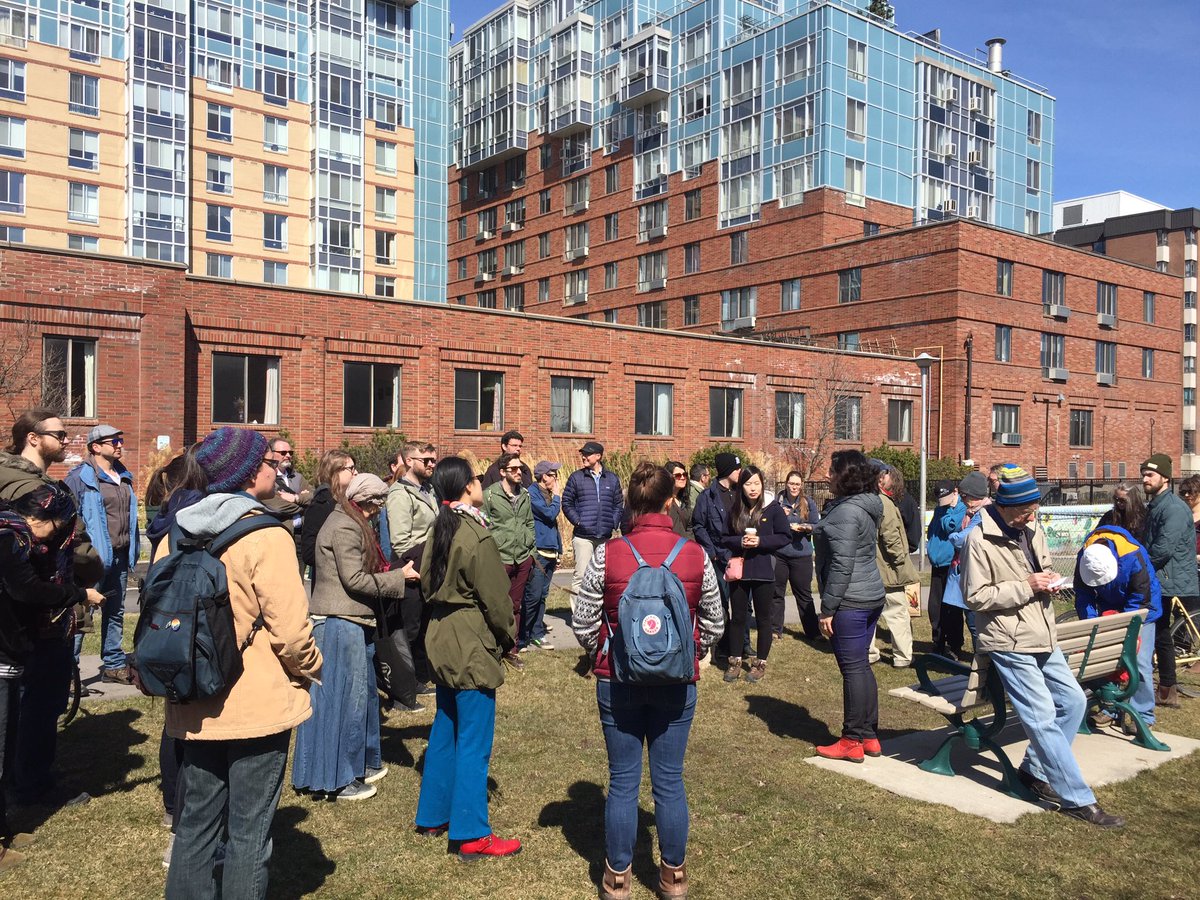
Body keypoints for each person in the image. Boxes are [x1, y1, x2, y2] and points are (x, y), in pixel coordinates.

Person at [158, 426, 323, 896]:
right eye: (271, 462)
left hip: (193, 694)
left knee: (195, 824)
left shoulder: (177, 530)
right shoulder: (266, 535)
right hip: (255, 702)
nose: (277, 469)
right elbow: (291, 632)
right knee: (250, 831)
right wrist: (313, 669)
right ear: (251, 473)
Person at [572, 462, 724, 900]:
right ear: (670, 500)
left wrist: (604, 652)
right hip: (676, 683)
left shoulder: (608, 553)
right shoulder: (694, 554)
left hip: (617, 680)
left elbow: (583, 622)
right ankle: (673, 876)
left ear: (630, 502)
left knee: (622, 781)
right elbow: (715, 622)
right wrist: (689, 651)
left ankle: (617, 877)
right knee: (669, 781)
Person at [962, 464, 1124, 828]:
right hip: (1007, 639)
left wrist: (1048, 578)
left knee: (1074, 701)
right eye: (1025, 510)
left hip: (1042, 632)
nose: (1031, 516)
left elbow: (1040, 567)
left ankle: (1033, 770)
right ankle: (1077, 798)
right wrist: (1028, 586)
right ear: (1004, 506)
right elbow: (975, 596)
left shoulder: (1032, 528)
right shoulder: (979, 539)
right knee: (1041, 717)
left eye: (1034, 509)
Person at [414, 456, 521, 860]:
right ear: (466, 487)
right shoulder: (475, 533)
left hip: (441, 634)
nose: (481, 483)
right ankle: (472, 832)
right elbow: (496, 598)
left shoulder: (440, 527)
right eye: (476, 478)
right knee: (474, 740)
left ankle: (433, 814)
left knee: (445, 727)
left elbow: (425, 584)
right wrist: (508, 636)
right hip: (469, 639)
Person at [0, 409, 100, 808]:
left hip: (32, 607)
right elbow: (64, 545)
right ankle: (31, 783)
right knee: (40, 698)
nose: (66, 439)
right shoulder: (27, 488)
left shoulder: (26, 481)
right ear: (33, 438)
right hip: (39, 608)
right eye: (59, 434)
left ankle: (23, 775)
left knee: (27, 699)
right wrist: (85, 568)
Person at [293, 474, 415, 801]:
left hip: (349, 620)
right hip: (340, 623)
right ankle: (340, 780)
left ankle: (341, 770)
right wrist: (398, 578)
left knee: (352, 701)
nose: (378, 511)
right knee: (343, 704)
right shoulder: (345, 526)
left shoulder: (348, 520)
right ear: (364, 501)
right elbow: (354, 579)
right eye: (376, 505)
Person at [0, 485, 103, 870]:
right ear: (36, 518)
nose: (55, 539)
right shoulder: (9, 539)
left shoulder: (18, 538)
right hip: (2, 652)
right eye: (57, 528)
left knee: (7, 743)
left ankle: (4, 828)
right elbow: (25, 589)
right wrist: (76, 594)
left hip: (11, 652)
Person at [812, 450, 885, 763]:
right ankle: (868, 735)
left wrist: (828, 609)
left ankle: (852, 739)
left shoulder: (846, 512)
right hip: (869, 595)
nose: (827, 475)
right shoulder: (866, 505)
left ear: (844, 477)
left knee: (853, 669)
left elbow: (842, 565)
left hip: (851, 600)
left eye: (832, 471)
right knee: (861, 666)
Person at [65, 424, 139, 682]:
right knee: (82, 614)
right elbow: (69, 519)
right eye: (113, 441)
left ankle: (113, 664)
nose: (119, 445)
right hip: (92, 558)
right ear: (96, 447)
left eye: (120, 440)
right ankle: (69, 674)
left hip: (120, 555)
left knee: (115, 610)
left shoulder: (123, 476)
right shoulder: (79, 478)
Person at [1073, 524, 1161, 732]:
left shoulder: (1132, 555)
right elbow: (1083, 595)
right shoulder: (1085, 555)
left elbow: (1140, 597)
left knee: (1139, 663)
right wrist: (1093, 623)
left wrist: (1126, 628)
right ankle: (1110, 707)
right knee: (1107, 659)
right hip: (1109, 610)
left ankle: (1143, 715)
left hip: (1142, 611)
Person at [719, 465, 789, 683]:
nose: (753, 488)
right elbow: (724, 537)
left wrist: (761, 542)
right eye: (748, 484)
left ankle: (760, 663)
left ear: (762, 484)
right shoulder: (734, 508)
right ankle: (735, 662)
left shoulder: (773, 508)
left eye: (757, 483)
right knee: (738, 617)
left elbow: (784, 536)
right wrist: (739, 541)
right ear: (741, 486)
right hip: (739, 571)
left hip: (764, 569)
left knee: (763, 618)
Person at [1141, 453, 1198, 709]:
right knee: (1159, 634)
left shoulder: (1173, 508)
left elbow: (1163, 548)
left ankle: (1167, 690)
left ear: (1165, 478)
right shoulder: (1156, 506)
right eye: (1143, 474)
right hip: (1163, 578)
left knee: (1161, 634)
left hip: (1173, 580)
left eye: (1150, 474)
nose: (1145, 479)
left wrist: (1140, 568)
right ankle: (1165, 688)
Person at [385, 443, 439, 701]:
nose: (431, 464)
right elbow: (401, 542)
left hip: (427, 567)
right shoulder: (400, 494)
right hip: (411, 569)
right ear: (409, 461)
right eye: (426, 460)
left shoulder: (428, 489)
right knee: (410, 629)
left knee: (424, 626)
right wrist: (419, 566)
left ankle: (420, 676)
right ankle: (405, 683)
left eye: (433, 460)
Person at [692, 452, 746, 668]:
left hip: (741, 556)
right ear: (726, 471)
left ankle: (743, 645)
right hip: (719, 559)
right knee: (720, 605)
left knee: (743, 604)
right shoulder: (708, 496)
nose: (740, 472)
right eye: (736, 469)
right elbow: (699, 525)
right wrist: (712, 552)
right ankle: (722, 647)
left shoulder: (742, 493)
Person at [482, 453, 535, 667]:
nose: (519, 472)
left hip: (522, 557)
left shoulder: (525, 495)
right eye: (513, 469)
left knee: (515, 605)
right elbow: (482, 524)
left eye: (520, 468)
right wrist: (494, 546)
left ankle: (511, 650)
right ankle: (492, 646)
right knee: (495, 605)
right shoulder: (489, 495)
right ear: (502, 472)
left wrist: (531, 551)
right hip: (500, 558)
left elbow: (529, 523)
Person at [562, 441, 624, 614]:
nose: (584, 457)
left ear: (598, 456)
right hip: (583, 537)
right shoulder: (576, 477)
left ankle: (598, 614)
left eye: (587, 454)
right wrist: (578, 521)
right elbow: (566, 503)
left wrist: (613, 522)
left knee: (602, 577)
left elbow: (618, 504)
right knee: (581, 576)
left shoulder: (612, 479)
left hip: (604, 536)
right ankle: (578, 616)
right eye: (583, 454)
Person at [869, 463, 917, 668]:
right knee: (897, 613)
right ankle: (903, 656)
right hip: (888, 569)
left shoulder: (869, 501)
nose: (888, 477)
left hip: (872, 569)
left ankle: (869, 653)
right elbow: (891, 537)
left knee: (870, 613)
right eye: (885, 475)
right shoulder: (884, 503)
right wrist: (899, 561)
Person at [769, 471, 820, 640]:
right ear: (786, 483)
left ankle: (813, 632)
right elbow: (767, 524)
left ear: (801, 485)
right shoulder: (777, 502)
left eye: (797, 484)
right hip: (780, 553)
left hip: (801, 554)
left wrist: (806, 527)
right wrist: (780, 517)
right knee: (777, 593)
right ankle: (775, 630)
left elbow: (816, 525)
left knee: (804, 594)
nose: (794, 487)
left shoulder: (808, 502)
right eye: (791, 483)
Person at [300, 449, 358, 582]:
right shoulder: (322, 504)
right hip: (330, 582)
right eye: (351, 468)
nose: (356, 472)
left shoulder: (346, 500)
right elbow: (309, 553)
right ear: (335, 471)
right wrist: (343, 556)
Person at [523, 461, 562, 652]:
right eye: (553, 474)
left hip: (550, 551)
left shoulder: (548, 494)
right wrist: (558, 497)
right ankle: (522, 635)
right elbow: (549, 514)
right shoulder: (532, 494)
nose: (556, 479)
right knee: (533, 596)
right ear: (544, 476)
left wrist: (559, 550)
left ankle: (537, 633)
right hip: (538, 552)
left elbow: (553, 526)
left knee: (542, 596)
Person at [261, 437, 312, 576]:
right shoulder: (266, 477)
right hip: (281, 535)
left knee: (299, 579)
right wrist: (303, 505)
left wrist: (295, 498)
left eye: (290, 452)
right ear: (272, 454)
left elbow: (313, 497)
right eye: (283, 453)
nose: (288, 455)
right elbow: (276, 505)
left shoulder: (297, 477)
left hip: (301, 536)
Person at [665, 461, 694, 538]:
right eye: (678, 475)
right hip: (672, 542)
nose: (682, 478)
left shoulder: (685, 500)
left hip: (686, 542)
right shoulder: (663, 501)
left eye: (685, 474)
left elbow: (690, 526)